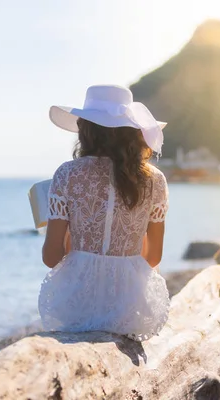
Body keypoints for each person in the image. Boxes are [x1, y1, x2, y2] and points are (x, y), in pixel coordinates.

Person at [38, 85, 170, 341]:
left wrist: (73, 236)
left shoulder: (67, 174)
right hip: (131, 306)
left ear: (86, 129)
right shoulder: (155, 180)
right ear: (134, 133)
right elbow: (153, 257)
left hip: (75, 303)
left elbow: (52, 258)